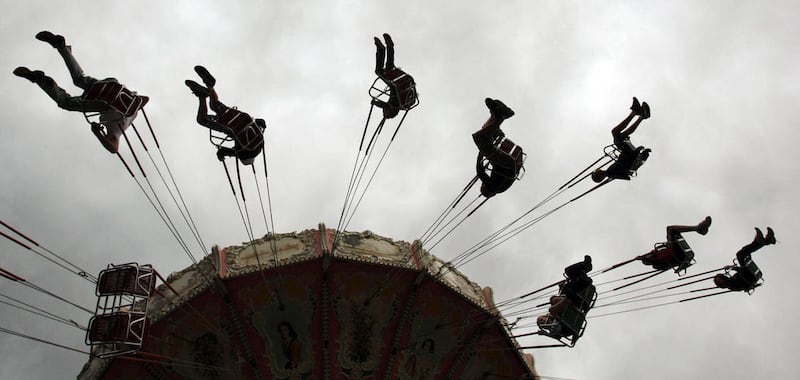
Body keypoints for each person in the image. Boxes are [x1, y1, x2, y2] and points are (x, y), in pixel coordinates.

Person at [13, 31, 148, 154]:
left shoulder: (131, 114)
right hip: (106, 103)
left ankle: (61, 47)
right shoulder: (116, 131)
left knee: (80, 79)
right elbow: (113, 149)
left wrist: (135, 104)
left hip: (112, 86)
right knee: (66, 103)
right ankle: (41, 80)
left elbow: (145, 99)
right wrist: (97, 133)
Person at [185, 66, 266, 165]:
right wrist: (221, 155)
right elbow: (224, 152)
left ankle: (210, 87)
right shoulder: (243, 154)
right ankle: (202, 96)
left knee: (214, 105)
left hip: (238, 116)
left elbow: (261, 122)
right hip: (229, 127)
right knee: (201, 120)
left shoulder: (261, 140)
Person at [591, 97, 651, 182]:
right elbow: (627, 166)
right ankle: (638, 114)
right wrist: (637, 152)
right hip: (631, 154)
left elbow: (626, 173)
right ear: (599, 175)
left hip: (630, 154)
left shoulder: (610, 172)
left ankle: (638, 114)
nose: (597, 169)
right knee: (616, 133)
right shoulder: (612, 173)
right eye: (596, 172)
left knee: (621, 135)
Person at [473, 98, 523, 198]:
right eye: (483, 185)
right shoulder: (492, 187)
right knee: (482, 140)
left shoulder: (499, 185)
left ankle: (495, 115)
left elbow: (496, 165)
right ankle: (501, 116)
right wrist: (481, 152)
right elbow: (480, 171)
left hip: (508, 164)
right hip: (507, 164)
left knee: (485, 130)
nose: (484, 183)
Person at [714, 227, 776, 292]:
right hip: (749, 275)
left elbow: (741, 271)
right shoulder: (732, 285)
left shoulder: (731, 281)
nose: (721, 280)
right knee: (740, 255)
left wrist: (733, 268)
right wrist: (732, 268)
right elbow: (741, 272)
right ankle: (762, 241)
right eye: (720, 281)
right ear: (721, 284)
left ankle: (766, 241)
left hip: (748, 273)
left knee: (743, 253)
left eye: (720, 279)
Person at [639, 216, 712, 271]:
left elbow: (657, 250)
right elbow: (664, 263)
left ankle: (698, 228)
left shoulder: (655, 253)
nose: (649, 256)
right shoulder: (657, 263)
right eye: (649, 257)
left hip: (676, 251)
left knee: (670, 230)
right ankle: (698, 228)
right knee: (671, 229)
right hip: (676, 254)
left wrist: (642, 256)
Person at [372, 33, 417, 119]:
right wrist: (376, 103)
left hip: (399, 83)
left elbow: (385, 105)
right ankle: (383, 48)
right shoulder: (396, 106)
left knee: (389, 67)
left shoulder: (397, 102)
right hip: (397, 85)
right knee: (379, 71)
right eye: (384, 111)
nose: (384, 110)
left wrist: (377, 103)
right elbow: (386, 106)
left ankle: (386, 47)